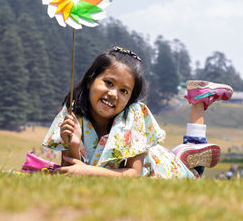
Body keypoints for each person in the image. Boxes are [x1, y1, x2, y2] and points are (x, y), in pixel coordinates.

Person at [42, 46, 233, 178]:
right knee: (189, 158)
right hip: (149, 158)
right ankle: (185, 150)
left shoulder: (132, 115)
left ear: (130, 98)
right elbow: (70, 173)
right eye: (108, 83)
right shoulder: (72, 114)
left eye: (124, 91)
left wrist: (88, 171)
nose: (113, 94)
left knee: (194, 173)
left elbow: (133, 174)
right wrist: (73, 145)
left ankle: (198, 101)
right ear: (91, 79)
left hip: (162, 169)